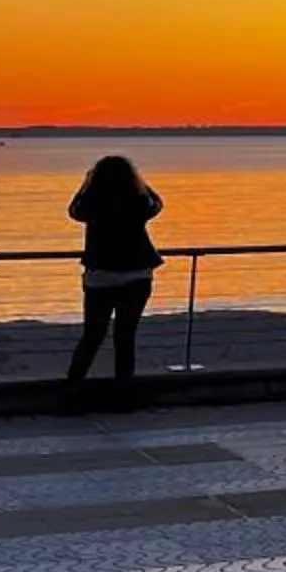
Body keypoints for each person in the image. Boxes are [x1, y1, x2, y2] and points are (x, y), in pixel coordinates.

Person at [62, 154, 166, 407]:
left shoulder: (92, 204)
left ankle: (71, 392)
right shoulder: (138, 201)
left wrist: (86, 183)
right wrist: (141, 182)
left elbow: (73, 210)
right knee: (125, 336)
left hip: (101, 277)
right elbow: (158, 204)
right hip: (136, 275)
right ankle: (123, 394)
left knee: (92, 336)